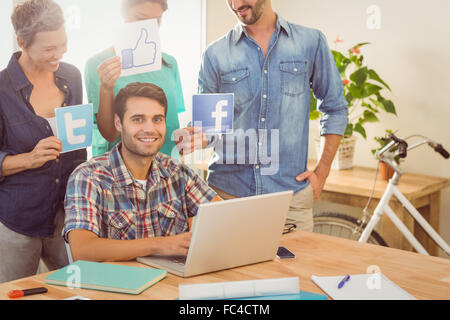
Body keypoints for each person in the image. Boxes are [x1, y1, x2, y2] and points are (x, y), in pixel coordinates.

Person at [182, 0, 348, 232]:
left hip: (290, 200)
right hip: (227, 197)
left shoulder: (310, 42)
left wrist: (322, 172)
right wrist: (192, 136)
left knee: (295, 270)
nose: (236, 4)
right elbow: (209, 128)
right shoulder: (215, 54)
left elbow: (335, 107)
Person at [64, 82, 220, 262]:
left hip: (171, 283)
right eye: (138, 119)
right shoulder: (88, 176)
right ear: (118, 123)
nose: (149, 129)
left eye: (157, 119)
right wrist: (160, 244)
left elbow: (225, 217)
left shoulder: (177, 171)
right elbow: (83, 250)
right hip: (116, 287)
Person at [0, 0, 87, 282]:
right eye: (48, 49)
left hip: (68, 214)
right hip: (18, 220)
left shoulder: (71, 76)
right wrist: (29, 159)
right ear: (21, 42)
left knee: (79, 288)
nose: (58, 54)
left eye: (62, 44)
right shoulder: (2, 90)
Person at [85, 0, 185, 158]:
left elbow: (171, 124)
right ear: (123, 14)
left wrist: (186, 139)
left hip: (165, 169)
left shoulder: (170, 64)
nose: (149, 27)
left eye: (156, 21)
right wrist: (106, 87)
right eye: (140, 18)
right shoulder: (99, 65)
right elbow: (109, 135)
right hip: (120, 170)